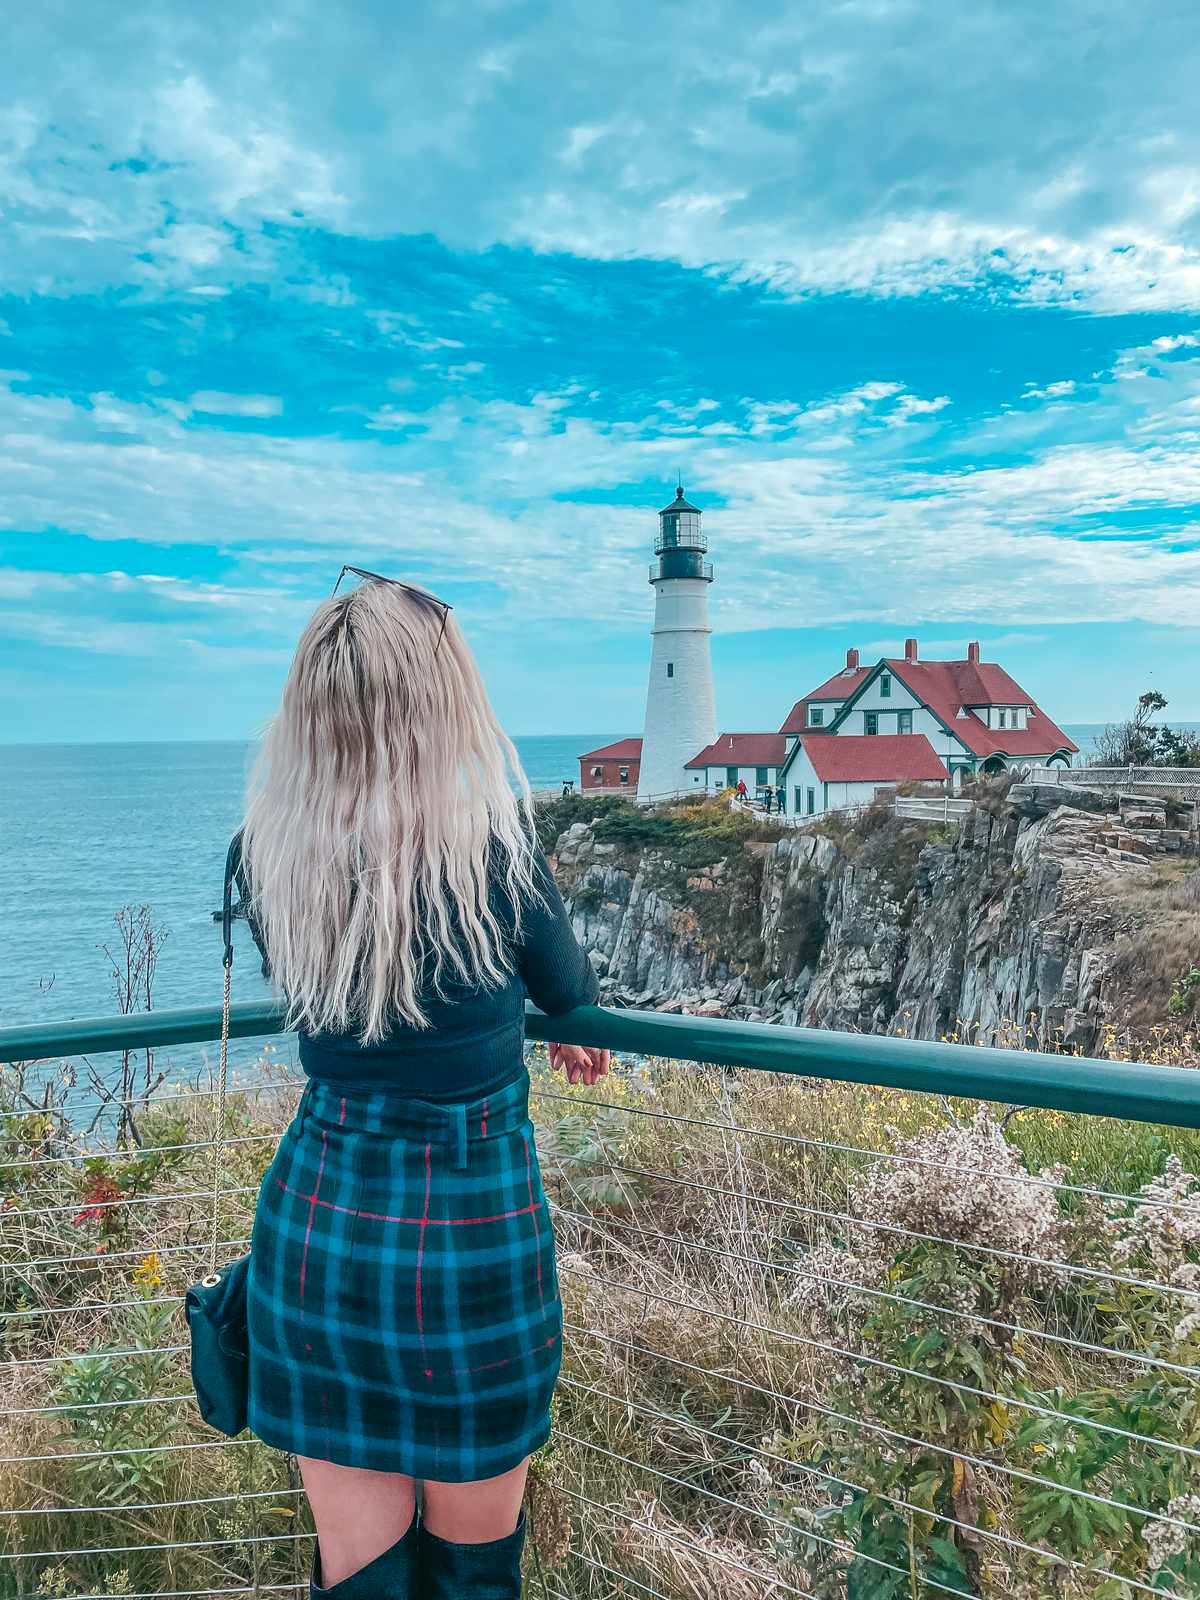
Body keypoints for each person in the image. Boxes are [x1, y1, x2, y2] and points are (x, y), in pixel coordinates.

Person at [233, 570, 608, 1599]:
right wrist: (568, 1030)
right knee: (474, 1572)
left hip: (321, 1231)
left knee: (360, 1576)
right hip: (469, 1235)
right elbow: (567, 987)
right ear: (442, 698)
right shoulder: (489, 848)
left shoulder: (267, 854)